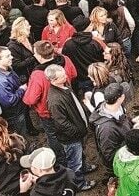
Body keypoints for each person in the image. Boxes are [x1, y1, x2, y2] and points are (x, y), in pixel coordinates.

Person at [22, 40, 77, 162]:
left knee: (53, 135)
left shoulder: (38, 74)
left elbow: (30, 99)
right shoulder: (65, 59)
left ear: (39, 56)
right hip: (67, 103)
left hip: (48, 112)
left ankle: (61, 160)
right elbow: (73, 74)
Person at [45, 63, 97, 192]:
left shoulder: (64, 86)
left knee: (80, 155)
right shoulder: (55, 100)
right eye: (62, 76)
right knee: (75, 162)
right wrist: (77, 131)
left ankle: (84, 167)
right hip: (71, 137)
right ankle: (79, 183)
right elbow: (61, 123)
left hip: (78, 132)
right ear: (54, 80)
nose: (66, 76)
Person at [89, 83, 133, 180]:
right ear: (120, 98)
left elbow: (122, 120)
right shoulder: (106, 129)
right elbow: (110, 156)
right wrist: (132, 138)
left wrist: (132, 122)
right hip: (120, 163)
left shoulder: (117, 107)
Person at [0, 46, 27, 135]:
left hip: (19, 107)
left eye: (10, 55)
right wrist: (22, 89)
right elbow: (9, 101)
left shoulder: (6, 67)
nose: (12, 57)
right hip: (14, 113)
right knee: (20, 133)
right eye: (7, 56)